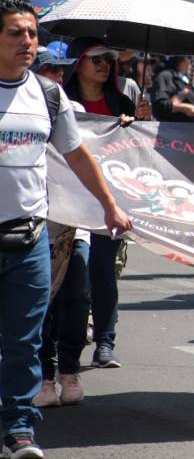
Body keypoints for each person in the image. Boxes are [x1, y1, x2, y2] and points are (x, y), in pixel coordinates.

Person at [0, 0, 132, 459]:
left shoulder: (49, 95)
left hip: (29, 238)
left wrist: (109, 205)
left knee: (24, 340)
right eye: (16, 32)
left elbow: (78, 155)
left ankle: (19, 430)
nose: (28, 42)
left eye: (32, 33)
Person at [63, 38, 150, 371]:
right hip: (67, 200)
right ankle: (62, 347)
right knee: (73, 280)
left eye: (109, 59)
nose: (103, 64)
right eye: (96, 58)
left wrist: (141, 121)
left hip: (108, 201)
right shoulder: (62, 100)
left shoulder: (120, 100)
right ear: (79, 61)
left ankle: (104, 343)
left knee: (102, 273)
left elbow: (139, 151)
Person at [29, 50, 90, 410]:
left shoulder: (76, 112)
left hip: (72, 227)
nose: (56, 75)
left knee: (78, 299)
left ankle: (70, 371)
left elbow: (94, 148)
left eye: (60, 70)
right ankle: (45, 376)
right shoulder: (18, 109)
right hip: (33, 227)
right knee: (38, 309)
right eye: (48, 69)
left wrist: (132, 122)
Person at [151, 56, 194, 122]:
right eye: (188, 57)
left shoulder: (188, 80)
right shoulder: (166, 76)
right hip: (175, 130)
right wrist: (184, 108)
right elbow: (159, 107)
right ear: (179, 60)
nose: (191, 61)